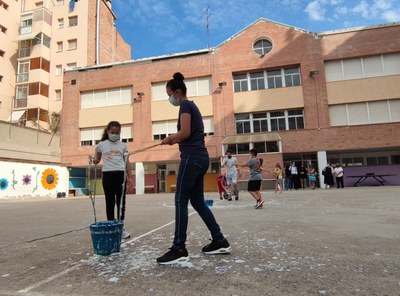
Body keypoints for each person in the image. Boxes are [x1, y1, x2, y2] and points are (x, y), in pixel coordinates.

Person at [157, 73, 230, 265]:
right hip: (200, 157)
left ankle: (179, 248)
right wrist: (174, 139)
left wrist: (170, 138)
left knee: (180, 200)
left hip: (191, 158)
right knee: (197, 202)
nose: (169, 98)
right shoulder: (191, 106)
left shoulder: (185, 105)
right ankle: (219, 240)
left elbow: (185, 132)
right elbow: (189, 134)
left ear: (177, 92)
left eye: (169, 94)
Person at [94, 121, 132, 239]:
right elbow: (97, 159)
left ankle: (121, 227)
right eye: (112, 132)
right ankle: (111, 226)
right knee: (109, 202)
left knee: (121, 203)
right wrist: (93, 161)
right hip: (107, 175)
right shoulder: (101, 145)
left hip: (120, 174)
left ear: (120, 133)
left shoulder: (123, 146)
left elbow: (127, 162)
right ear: (107, 131)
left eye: (117, 133)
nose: (115, 134)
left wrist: (129, 177)